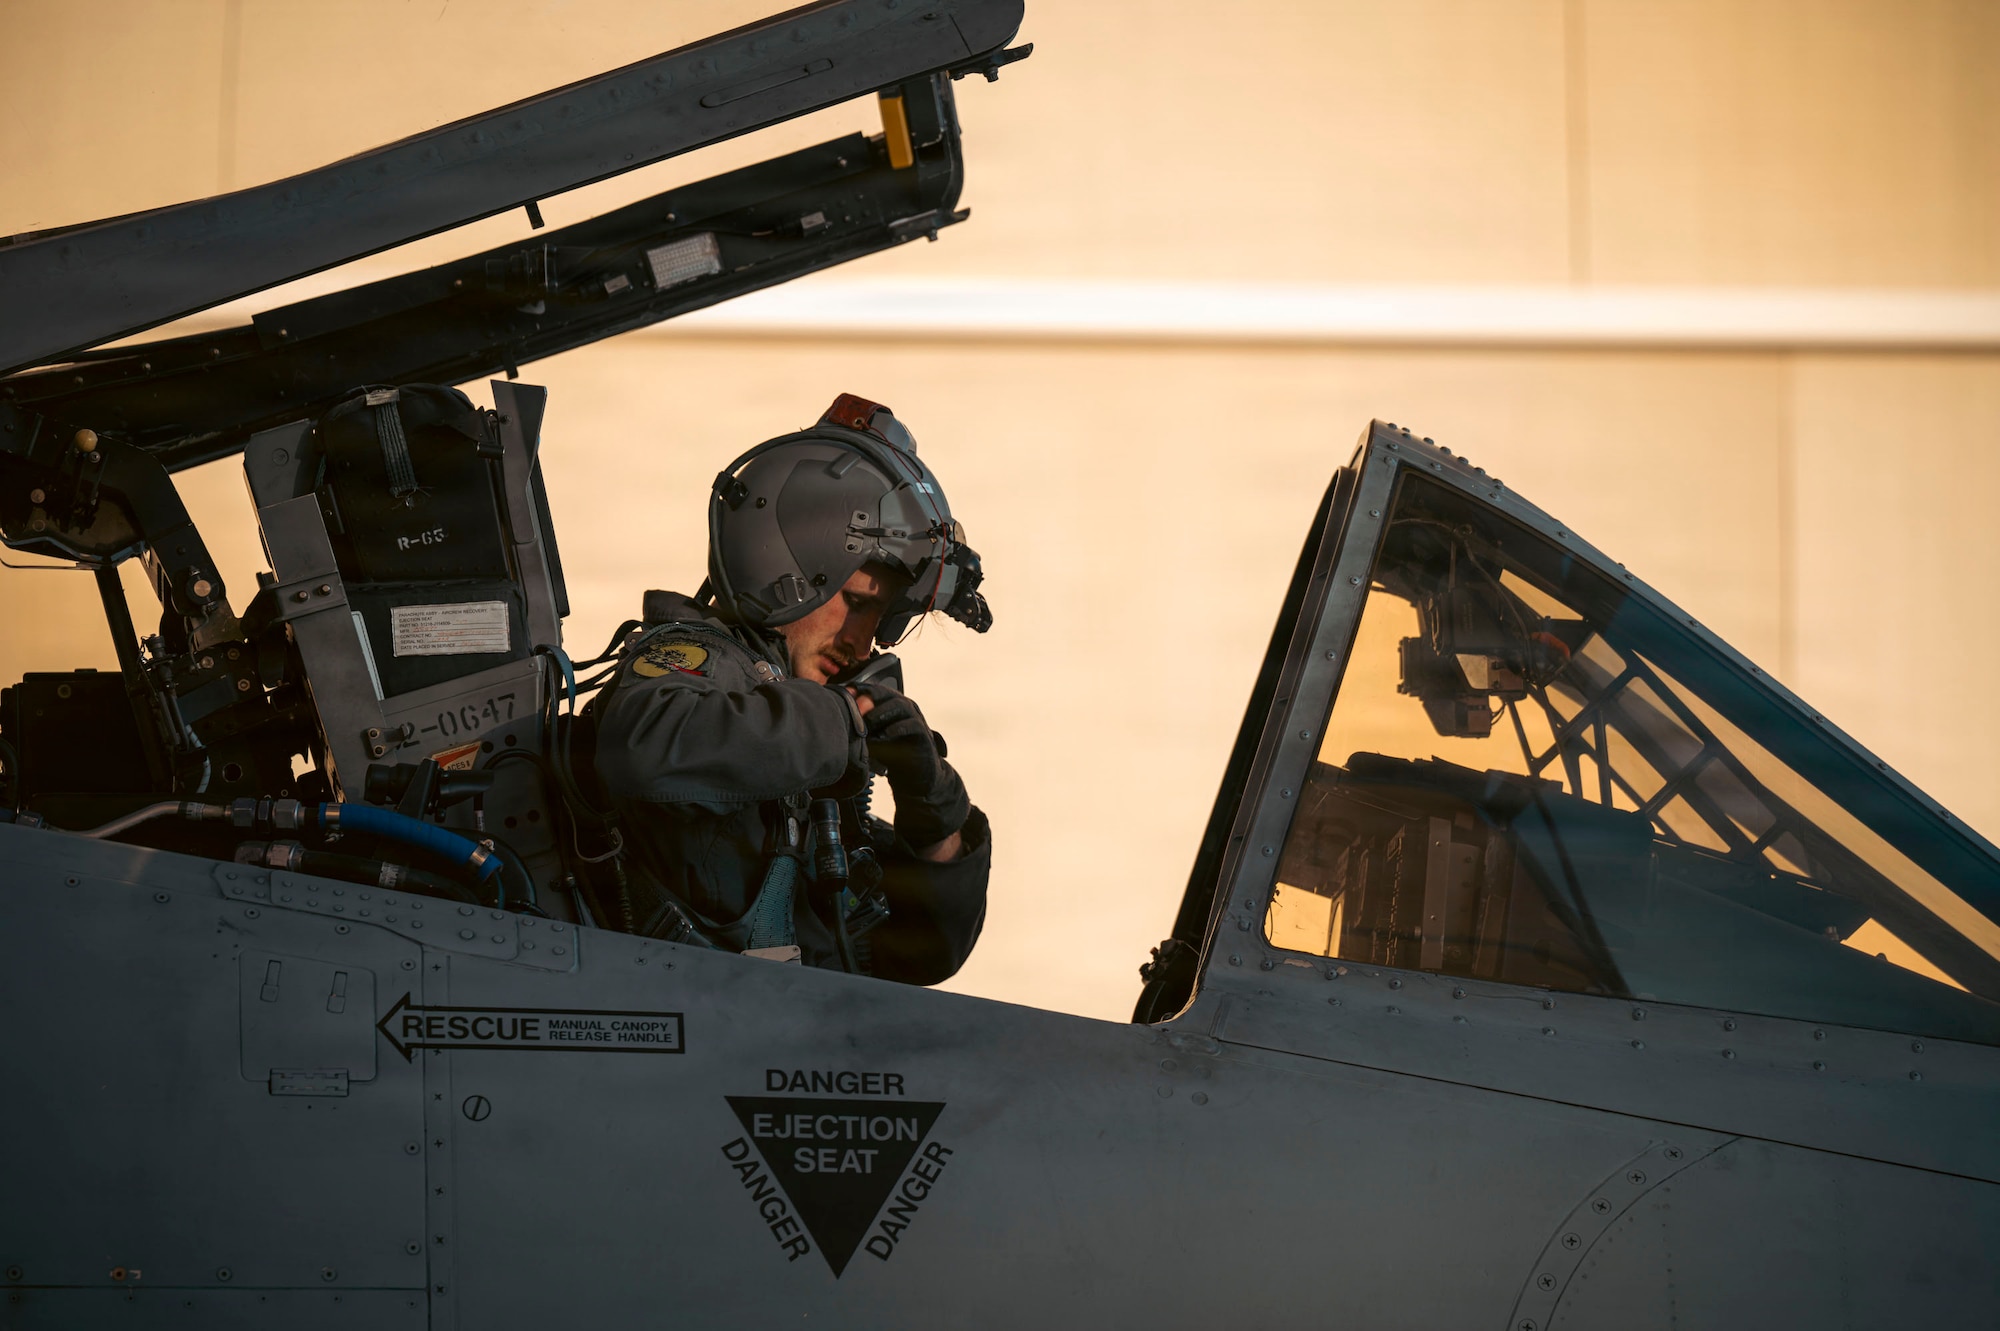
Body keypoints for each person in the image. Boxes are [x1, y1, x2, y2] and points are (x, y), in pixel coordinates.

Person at [590, 394, 992, 982]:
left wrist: (932, 803)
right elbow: (641, 743)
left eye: (881, 624)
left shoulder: (793, 751)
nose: (864, 647)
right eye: (858, 605)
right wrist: (839, 725)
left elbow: (924, 952)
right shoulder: (700, 665)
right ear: (787, 565)